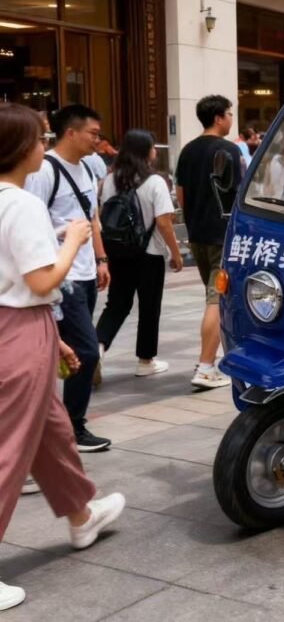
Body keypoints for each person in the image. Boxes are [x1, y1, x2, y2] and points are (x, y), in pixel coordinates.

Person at [0, 103, 126, 612]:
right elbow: (41, 281)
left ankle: (81, 516)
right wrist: (74, 239)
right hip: (21, 328)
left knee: (51, 432)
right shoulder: (23, 204)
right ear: (19, 148)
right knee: (10, 448)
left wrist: (52, 338)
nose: (42, 146)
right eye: (38, 138)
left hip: (19, 326)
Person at [24, 104, 112, 453]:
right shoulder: (45, 170)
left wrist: (101, 259)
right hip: (62, 277)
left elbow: (92, 218)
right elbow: (32, 223)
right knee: (86, 351)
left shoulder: (88, 168)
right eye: (93, 133)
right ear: (71, 132)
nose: (97, 140)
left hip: (86, 272)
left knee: (71, 352)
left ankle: (56, 424)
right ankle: (72, 426)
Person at [95, 130, 184, 377]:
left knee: (116, 304)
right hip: (150, 253)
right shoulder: (155, 182)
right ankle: (145, 361)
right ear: (145, 151)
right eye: (153, 147)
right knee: (149, 306)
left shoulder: (110, 180)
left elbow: (102, 215)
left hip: (118, 251)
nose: (155, 151)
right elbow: (164, 222)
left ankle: (97, 349)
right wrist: (175, 253)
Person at [174, 95, 243, 390]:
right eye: (229, 113)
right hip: (222, 235)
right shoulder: (230, 150)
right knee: (217, 300)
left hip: (198, 234)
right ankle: (205, 367)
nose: (231, 118)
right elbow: (240, 195)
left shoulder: (187, 151)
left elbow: (180, 195)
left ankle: (214, 356)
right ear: (218, 117)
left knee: (213, 296)